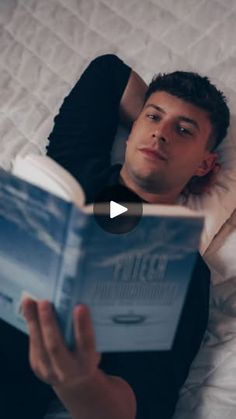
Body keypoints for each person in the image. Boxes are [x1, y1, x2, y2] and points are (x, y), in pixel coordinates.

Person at [4, 54, 230, 419]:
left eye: (184, 130)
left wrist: (77, 379)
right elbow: (108, 73)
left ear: (205, 164)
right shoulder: (77, 168)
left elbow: (139, 405)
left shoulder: (179, 266)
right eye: (153, 116)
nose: (161, 132)